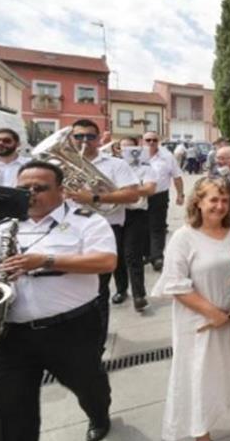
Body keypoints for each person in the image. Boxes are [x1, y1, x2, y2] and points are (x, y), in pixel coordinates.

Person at [0, 161, 116, 441]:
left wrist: (45, 261)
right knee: (5, 414)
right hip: (11, 336)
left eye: (40, 188)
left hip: (71, 329)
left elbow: (106, 261)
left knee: (89, 384)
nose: (31, 194)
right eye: (25, 188)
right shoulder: (4, 228)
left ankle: (98, 412)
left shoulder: (86, 221)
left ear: (61, 191)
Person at [151, 177, 230, 441]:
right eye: (213, 200)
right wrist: (213, 313)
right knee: (200, 378)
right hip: (200, 321)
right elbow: (175, 284)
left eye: (225, 200)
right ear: (198, 202)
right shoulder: (184, 238)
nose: (219, 206)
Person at [65, 119, 141, 353]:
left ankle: (96, 342)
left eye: (90, 136)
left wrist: (95, 198)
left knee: (98, 287)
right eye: (78, 136)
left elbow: (132, 195)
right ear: (71, 139)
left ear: (99, 139)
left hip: (105, 229)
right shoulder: (62, 165)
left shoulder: (116, 164)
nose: (84, 141)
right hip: (69, 230)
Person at [111, 138, 158, 311]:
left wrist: (120, 190)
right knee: (117, 255)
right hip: (114, 213)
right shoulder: (112, 166)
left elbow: (149, 189)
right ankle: (121, 289)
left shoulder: (145, 167)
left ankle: (139, 295)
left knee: (133, 255)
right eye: (123, 147)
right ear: (117, 149)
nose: (127, 150)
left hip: (136, 214)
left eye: (130, 147)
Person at [142, 131, 185, 272]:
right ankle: (146, 253)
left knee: (158, 227)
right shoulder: (136, 156)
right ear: (143, 141)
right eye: (148, 140)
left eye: (154, 140)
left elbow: (177, 176)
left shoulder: (167, 157)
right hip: (139, 196)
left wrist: (180, 194)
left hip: (159, 195)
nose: (151, 142)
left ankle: (157, 257)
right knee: (142, 226)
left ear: (158, 141)